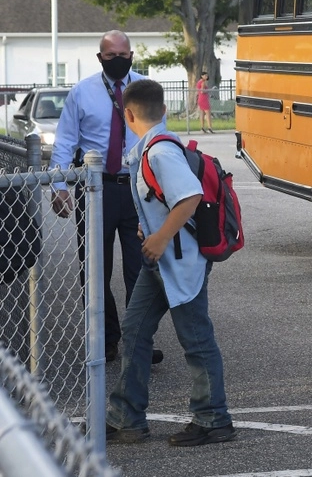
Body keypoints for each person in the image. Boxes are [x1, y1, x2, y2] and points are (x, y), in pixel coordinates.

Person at [105, 79, 235, 446]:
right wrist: (154, 235)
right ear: (163, 110)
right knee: (134, 332)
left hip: (179, 260)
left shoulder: (160, 152)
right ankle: (127, 417)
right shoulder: (156, 147)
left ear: (128, 115)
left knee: (195, 338)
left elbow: (190, 197)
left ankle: (214, 419)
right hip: (162, 261)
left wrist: (160, 237)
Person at [50, 30, 161, 365]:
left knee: (140, 268)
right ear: (100, 58)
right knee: (95, 269)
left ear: (131, 55)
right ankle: (106, 339)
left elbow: (160, 138)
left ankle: (139, 338)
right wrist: (59, 187)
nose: (118, 60)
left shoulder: (145, 90)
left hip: (137, 190)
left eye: (123, 54)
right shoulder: (81, 93)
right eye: (110, 55)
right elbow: (65, 142)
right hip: (95, 191)